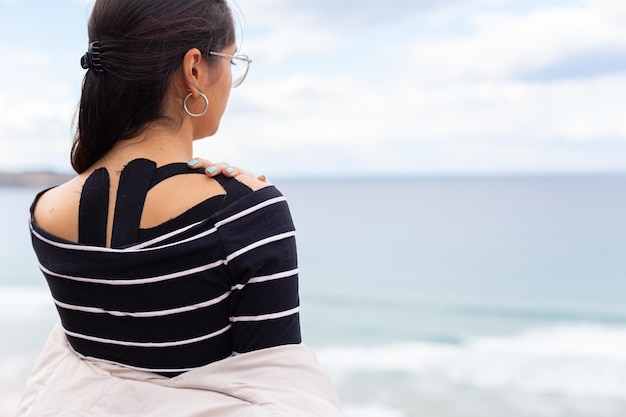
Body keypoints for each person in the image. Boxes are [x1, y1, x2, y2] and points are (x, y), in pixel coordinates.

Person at [16, 1, 344, 416]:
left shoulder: (45, 211)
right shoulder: (249, 215)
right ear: (194, 69)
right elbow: (279, 392)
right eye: (232, 60)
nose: (231, 78)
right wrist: (244, 204)